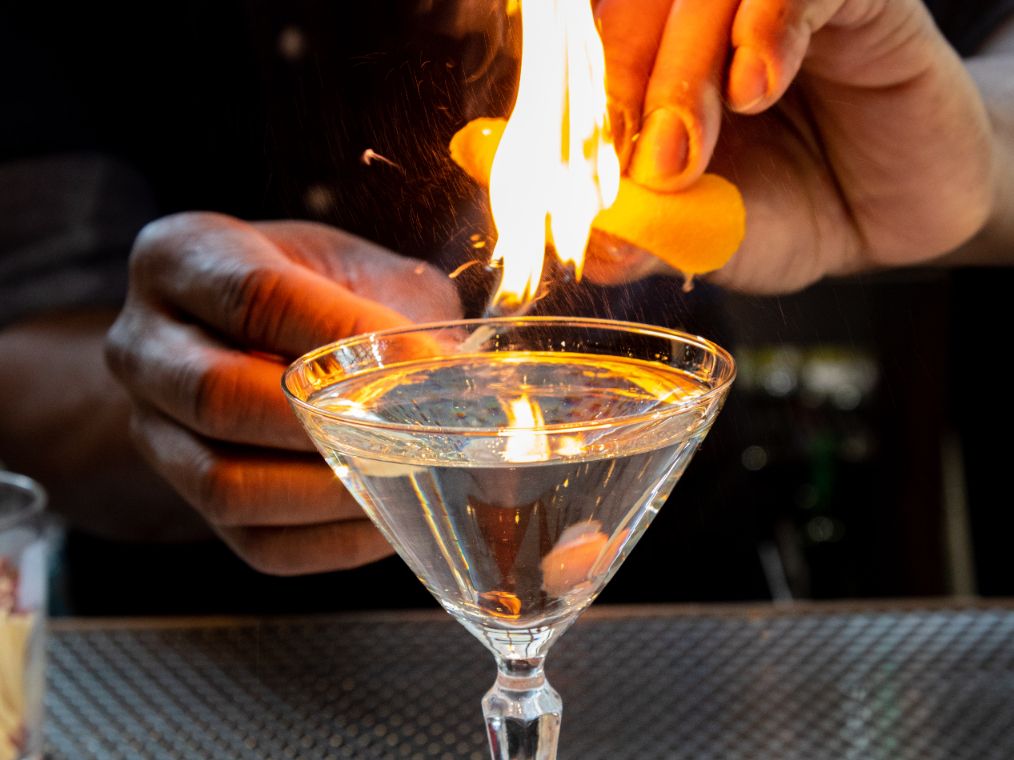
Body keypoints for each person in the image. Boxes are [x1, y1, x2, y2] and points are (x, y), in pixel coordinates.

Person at [2, 1, 1013, 606]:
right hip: (206, 662)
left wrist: (978, 156)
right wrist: (176, 391)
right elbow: (26, 326)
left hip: (674, 624)